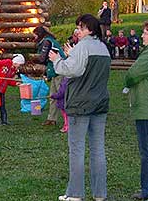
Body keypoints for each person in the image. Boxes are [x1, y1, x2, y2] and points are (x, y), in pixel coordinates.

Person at [49, 14, 110, 201]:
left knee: (76, 150)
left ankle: (75, 193)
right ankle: (100, 193)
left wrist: (57, 60)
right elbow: (86, 68)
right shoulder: (103, 48)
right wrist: (71, 56)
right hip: (99, 103)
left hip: (80, 105)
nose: (78, 31)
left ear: (90, 30)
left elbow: (71, 70)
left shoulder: (82, 47)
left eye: (81, 28)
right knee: (98, 149)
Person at [124, 21, 148, 200]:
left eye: (145, 33)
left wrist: (128, 81)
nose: (142, 36)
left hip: (147, 108)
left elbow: (132, 74)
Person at [33, 26, 66, 126]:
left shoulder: (47, 42)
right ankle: (52, 119)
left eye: (34, 35)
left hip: (60, 71)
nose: (33, 37)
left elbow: (43, 58)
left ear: (38, 34)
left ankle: (68, 120)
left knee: (61, 96)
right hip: (55, 71)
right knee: (53, 96)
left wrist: (31, 59)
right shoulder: (48, 40)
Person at [0, 54, 25, 125]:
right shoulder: (6, 62)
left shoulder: (13, 70)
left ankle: (4, 120)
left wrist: (15, 83)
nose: (19, 67)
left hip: (2, 89)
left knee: (2, 104)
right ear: (16, 62)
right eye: (20, 65)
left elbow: (9, 80)